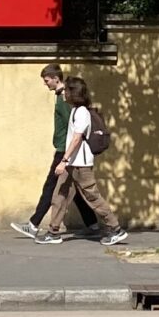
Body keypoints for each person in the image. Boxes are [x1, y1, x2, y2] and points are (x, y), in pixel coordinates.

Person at [36, 75, 128, 246]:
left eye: (66, 91)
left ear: (73, 94)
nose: (63, 93)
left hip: (80, 165)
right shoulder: (75, 111)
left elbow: (77, 138)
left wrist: (63, 160)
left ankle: (116, 229)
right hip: (72, 164)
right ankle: (53, 232)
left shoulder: (82, 113)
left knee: (92, 197)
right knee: (59, 196)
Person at [10, 64, 97, 239]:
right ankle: (93, 224)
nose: (45, 83)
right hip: (65, 150)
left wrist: (65, 156)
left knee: (51, 187)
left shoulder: (64, 98)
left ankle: (34, 225)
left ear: (56, 78)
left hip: (64, 151)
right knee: (75, 190)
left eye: (47, 80)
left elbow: (72, 125)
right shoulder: (61, 96)